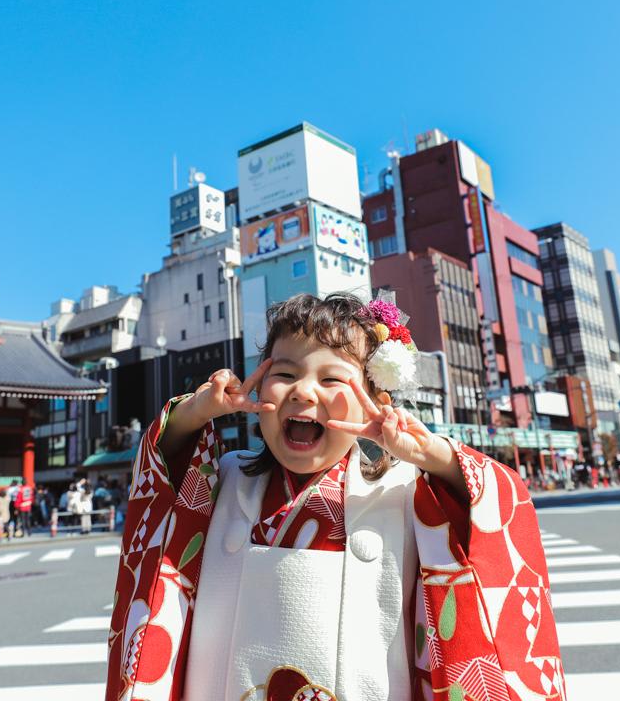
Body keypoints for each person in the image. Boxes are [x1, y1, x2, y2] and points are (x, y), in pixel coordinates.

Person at [106, 293, 564, 700]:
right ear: (258, 387)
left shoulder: (402, 492)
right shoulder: (220, 482)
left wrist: (434, 455)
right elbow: (162, 471)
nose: (304, 390)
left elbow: (495, 504)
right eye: (284, 372)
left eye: (332, 380)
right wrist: (201, 407)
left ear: (374, 399)